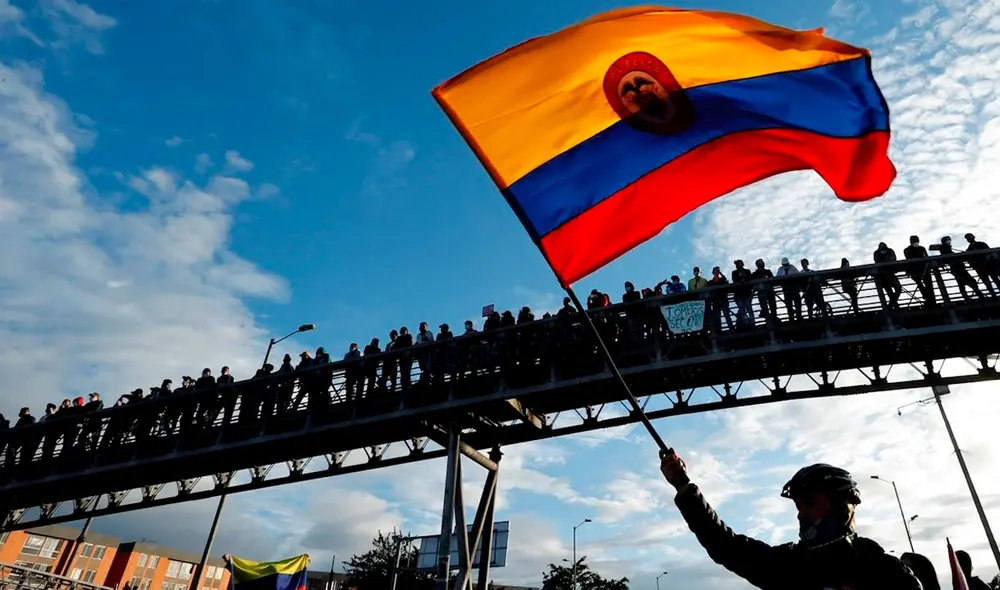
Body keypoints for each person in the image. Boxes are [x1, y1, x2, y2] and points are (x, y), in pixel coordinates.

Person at [659, 450, 921, 589]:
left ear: (841, 508)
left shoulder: (886, 571)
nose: (801, 514)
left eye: (809, 503)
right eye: (797, 505)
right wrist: (683, 486)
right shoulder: (789, 565)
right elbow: (726, 547)